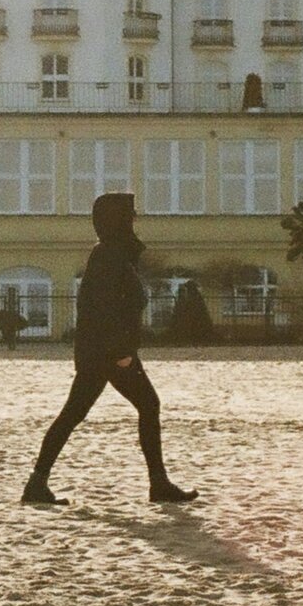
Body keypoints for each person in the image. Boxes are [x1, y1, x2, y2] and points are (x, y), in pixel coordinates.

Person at [22, 192, 197, 507]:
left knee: (75, 414)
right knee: (146, 405)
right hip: (109, 354)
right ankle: (157, 484)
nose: (133, 221)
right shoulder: (109, 255)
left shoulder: (112, 253)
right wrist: (121, 352)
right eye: (129, 215)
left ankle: (37, 482)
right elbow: (105, 310)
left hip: (101, 353)